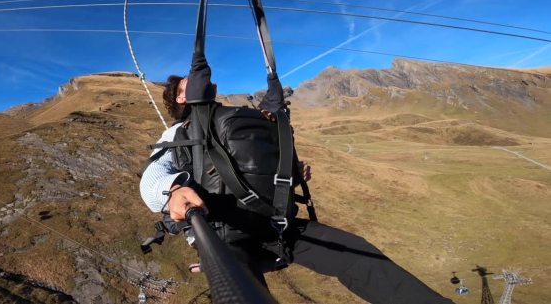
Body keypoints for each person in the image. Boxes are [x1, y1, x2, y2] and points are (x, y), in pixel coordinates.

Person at [140, 73, 454, 304]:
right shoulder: (177, 134)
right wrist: (172, 191)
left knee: (358, 254)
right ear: (181, 98)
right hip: (226, 237)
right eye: (185, 85)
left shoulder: (235, 120)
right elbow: (152, 177)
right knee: (244, 295)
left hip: (278, 225)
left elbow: (259, 164)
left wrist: (290, 173)